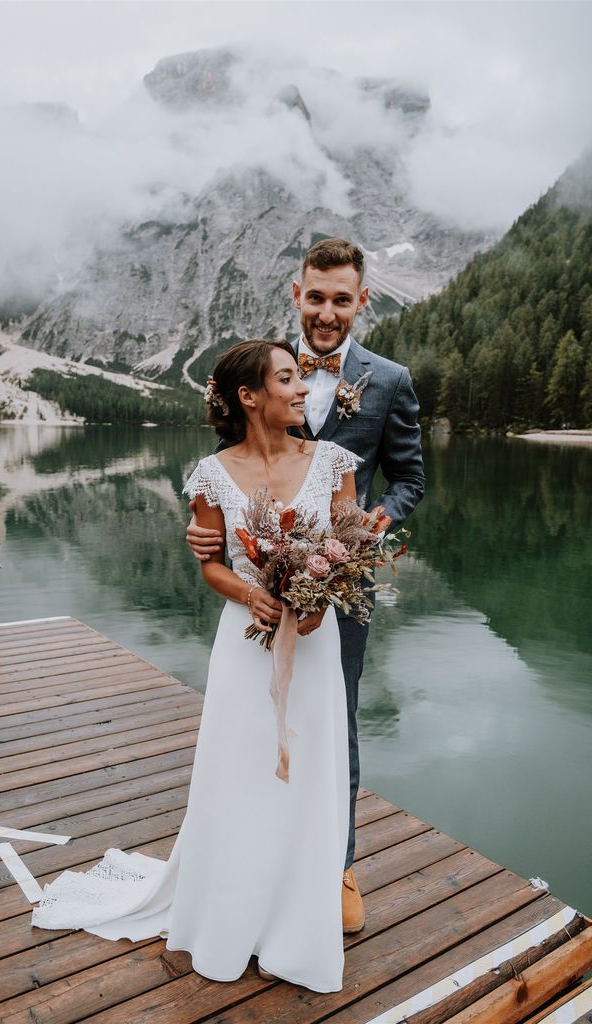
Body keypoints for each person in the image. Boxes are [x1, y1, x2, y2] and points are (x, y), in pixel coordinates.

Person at [32, 338, 361, 993]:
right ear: (248, 397)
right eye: (288, 380)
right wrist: (253, 594)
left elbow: (352, 546)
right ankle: (231, 916)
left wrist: (325, 594)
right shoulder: (212, 475)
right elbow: (210, 564)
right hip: (246, 644)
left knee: (308, 779)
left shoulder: (332, 462)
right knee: (241, 778)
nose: (303, 391)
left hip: (316, 647)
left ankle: (297, 926)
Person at [187, 238, 425, 934]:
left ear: (360, 303)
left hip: (337, 588)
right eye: (315, 297)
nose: (326, 313)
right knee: (253, 721)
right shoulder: (263, 369)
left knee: (334, 720)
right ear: (297, 295)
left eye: (340, 300)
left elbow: (408, 478)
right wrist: (205, 537)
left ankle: (336, 864)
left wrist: (360, 536)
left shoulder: (389, 381)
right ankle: (256, 856)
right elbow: (228, 472)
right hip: (258, 584)